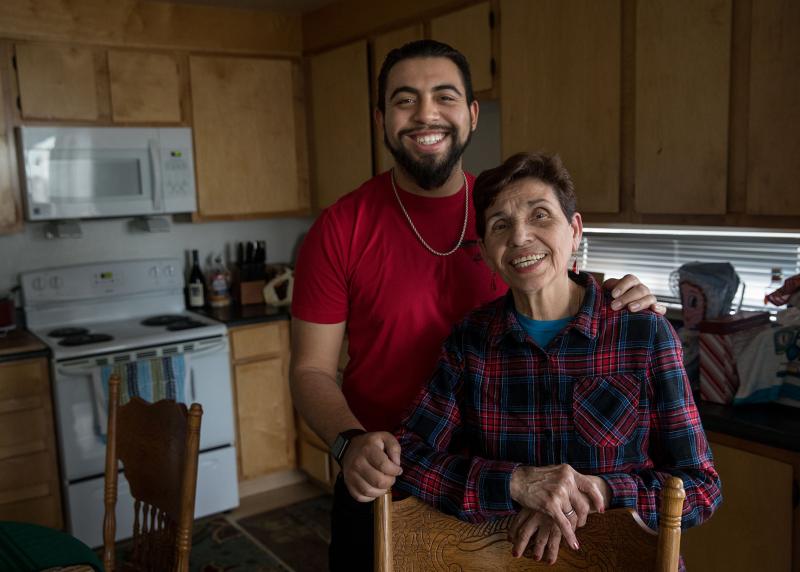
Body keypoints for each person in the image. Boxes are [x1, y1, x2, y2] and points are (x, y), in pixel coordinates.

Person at [290, 40, 665, 571]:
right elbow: (310, 368)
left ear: (470, 115)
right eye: (404, 100)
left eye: (444, 96)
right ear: (381, 119)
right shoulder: (340, 228)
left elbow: (555, 287)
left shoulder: (501, 210)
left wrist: (622, 299)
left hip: (510, 497)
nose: (425, 114)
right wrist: (348, 444)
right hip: (387, 478)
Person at [394, 152, 722, 566]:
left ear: (575, 230)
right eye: (500, 225)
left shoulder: (643, 332)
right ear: (487, 249)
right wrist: (514, 483)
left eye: (540, 216)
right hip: (508, 561)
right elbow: (407, 455)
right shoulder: (470, 342)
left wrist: (595, 493)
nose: (519, 237)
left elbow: (700, 487)